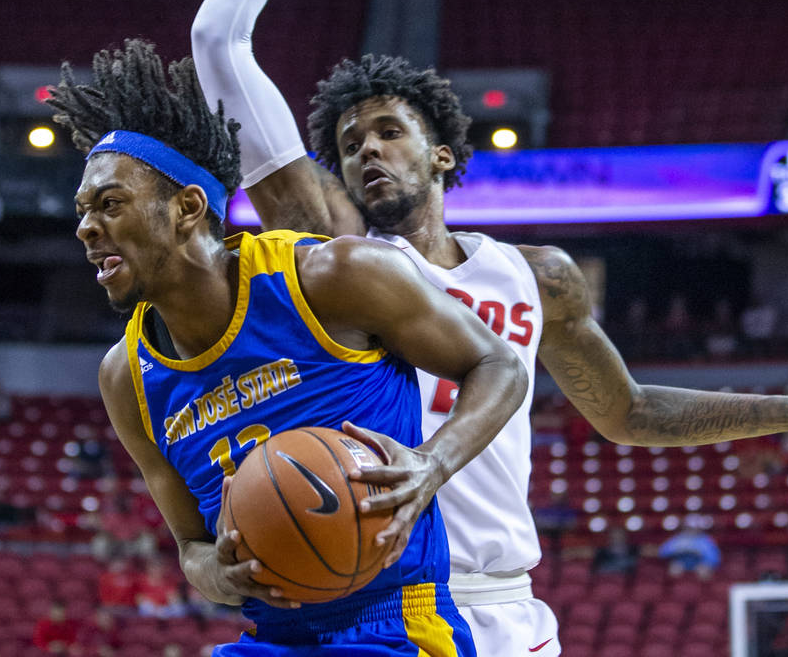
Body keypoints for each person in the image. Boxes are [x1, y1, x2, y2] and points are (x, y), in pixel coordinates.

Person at [190, 0, 788, 656]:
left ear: (442, 156)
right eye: (350, 143)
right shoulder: (331, 258)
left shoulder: (538, 276)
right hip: (383, 610)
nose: (366, 152)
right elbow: (217, 42)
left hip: (510, 613)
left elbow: (628, 412)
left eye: (389, 130)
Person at [46, 36, 526, 656]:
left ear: (188, 208)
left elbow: (500, 364)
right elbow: (191, 548)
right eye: (83, 210)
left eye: (110, 204)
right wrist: (215, 573)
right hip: (270, 636)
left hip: (396, 624)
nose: (86, 227)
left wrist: (433, 463)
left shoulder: (330, 277)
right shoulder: (126, 377)